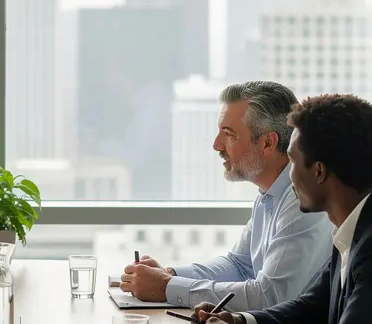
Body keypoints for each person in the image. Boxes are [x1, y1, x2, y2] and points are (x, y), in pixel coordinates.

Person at [193, 94, 372, 324]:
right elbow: (312, 305)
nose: (288, 176)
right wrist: (241, 321)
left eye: (293, 163)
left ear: (319, 172)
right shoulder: (358, 225)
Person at [121, 81, 332, 311]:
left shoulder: (303, 202)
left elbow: (269, 297)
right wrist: (170, 274)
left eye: (228, 134)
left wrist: (166, 287)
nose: (216, 145)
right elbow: (239, 265)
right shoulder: (270, 195)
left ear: (267, 143)